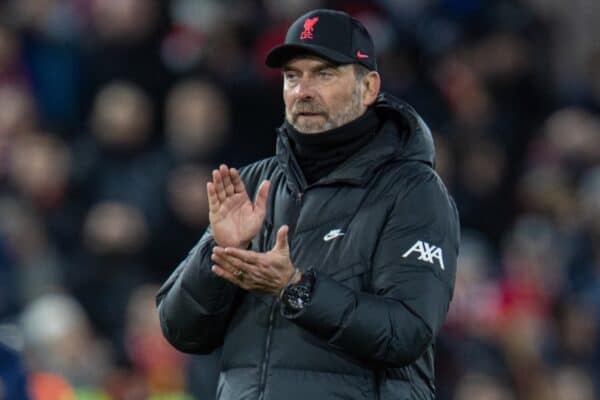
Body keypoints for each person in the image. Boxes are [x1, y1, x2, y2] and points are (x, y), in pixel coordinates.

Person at [157, 9, 460, 400]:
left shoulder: (412, 190)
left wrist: (296, 289)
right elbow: (180, 329)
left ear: (368, 87)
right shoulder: (253, 184)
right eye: (292, 76)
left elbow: (406, 331)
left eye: (324, 73)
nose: (303, 90)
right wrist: (221, 255)